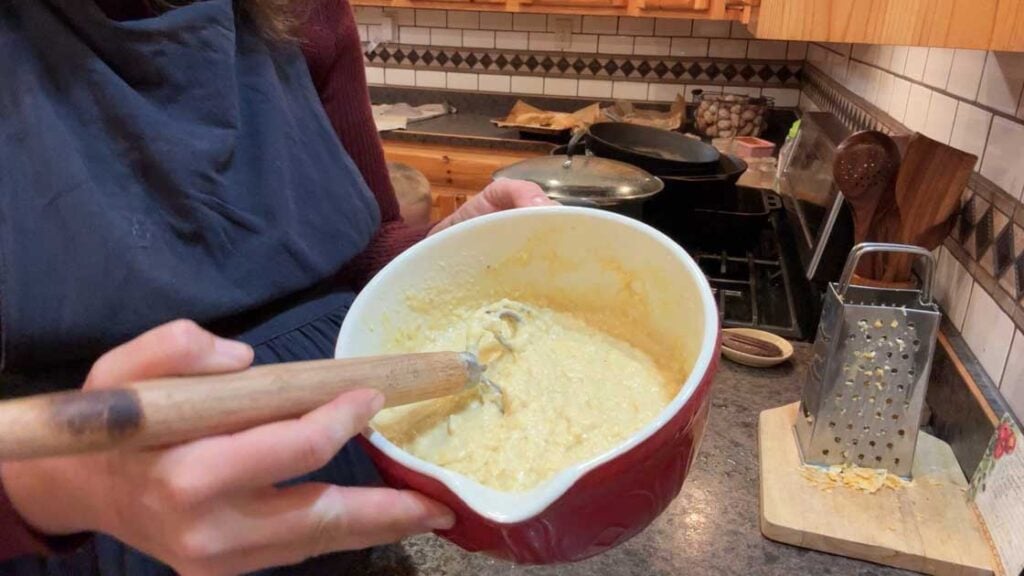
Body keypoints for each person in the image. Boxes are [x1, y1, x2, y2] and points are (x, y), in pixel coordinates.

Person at [0, 0, 553, 574]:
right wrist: (50, 487)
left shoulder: (301, 11)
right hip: (101, 547)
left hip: (352, 515)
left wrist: (444, 252)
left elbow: (355, 248)